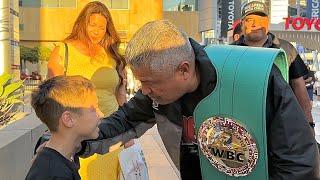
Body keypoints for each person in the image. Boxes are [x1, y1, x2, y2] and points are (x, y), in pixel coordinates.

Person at [77, 20, 319, 180]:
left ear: (183, 70)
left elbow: (299, 162)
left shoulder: (254, 79)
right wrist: (73, 140)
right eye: (141, 82)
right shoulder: (161, 88)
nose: (145, 90)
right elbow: (125, 121)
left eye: (150, 82)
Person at [47, 1, 129, 179]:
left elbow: (120, 95)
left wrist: (129, 136)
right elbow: (52, 98)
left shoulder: (112, 55)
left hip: (112, 133)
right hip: (77, 136)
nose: (97, 30)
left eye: (102, 27)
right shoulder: (63, 51)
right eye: (92, 24)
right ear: (83, 23)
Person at [231, 1, 315, 129]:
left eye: (261, 19)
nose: (255, 24)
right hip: (242, 125)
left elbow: (299, 88)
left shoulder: (286, 49)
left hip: (281, 126)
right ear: (242, 25)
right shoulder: (230, 52)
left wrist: (309, 124)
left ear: (268, 23)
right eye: (250, 20)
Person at [26, 75, 103, 180]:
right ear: (68, 119)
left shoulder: (59, 161)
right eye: (93, 108)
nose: (101, 114)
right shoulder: (55, 174)